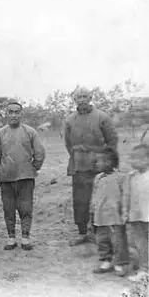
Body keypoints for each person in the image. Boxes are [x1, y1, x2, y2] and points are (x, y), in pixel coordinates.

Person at [64, 87, 118, 246]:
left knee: (100, 199)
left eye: (85, 96)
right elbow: (68, 144)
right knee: (80, 200)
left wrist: (105, 161)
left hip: (99, 165)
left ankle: (98, 232)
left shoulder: (102, 117)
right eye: (78, 96)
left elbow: (112, 141)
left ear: (90, 97)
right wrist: (78, 157)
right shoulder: (69, 120)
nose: (82, 99)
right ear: (74, 100)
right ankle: (82, 233)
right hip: (79, 165)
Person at [0, 101, 46, 250]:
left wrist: (32, 168)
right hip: (6, 178)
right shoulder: (0, 133)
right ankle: (11, 238)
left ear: (21, 114)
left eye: (17, 112)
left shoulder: (30, 132)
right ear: (7, 114)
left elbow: (40, 153)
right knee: (8, 209)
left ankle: (25, 238)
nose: (14, 115)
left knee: (26, 208)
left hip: (25, 178)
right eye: (11, 112)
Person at [90, 148, 128, 276]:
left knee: (118, 240)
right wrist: (92, 210)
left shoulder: (121, 178)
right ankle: (106, 260)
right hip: (100, 216)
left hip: (115, 216)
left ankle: (119, 263)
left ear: (109, 162)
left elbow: (125, 196)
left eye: (99, 161)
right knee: (102, 239)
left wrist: (124, 212)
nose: (96, 164)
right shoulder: (98, 178)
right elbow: (95, 196)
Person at [122, 143, 149, 283]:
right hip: (137, 217)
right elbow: (126, 195)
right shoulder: (131, 177)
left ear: (146, 160)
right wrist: (125, 212)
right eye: (131, 158)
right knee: (140, 244)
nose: (132, 161)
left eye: (136, 159)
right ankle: (144, 270)